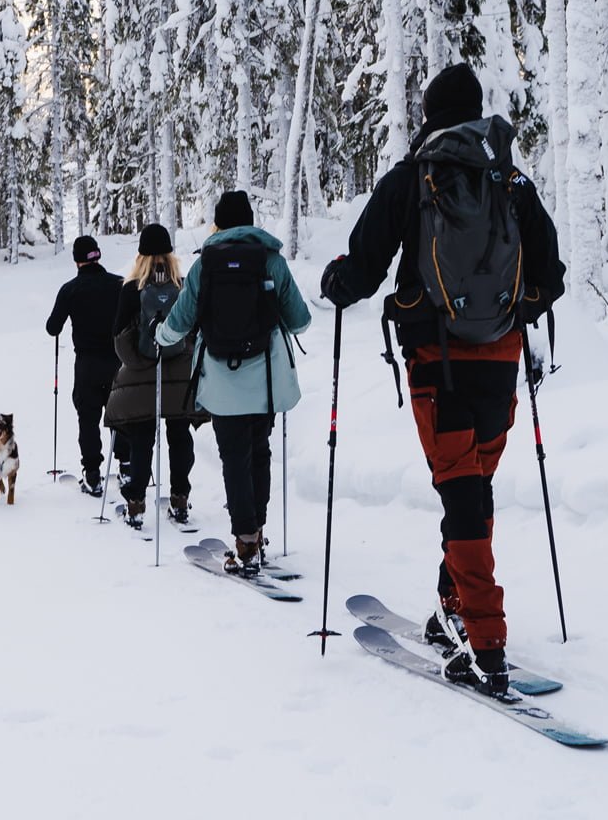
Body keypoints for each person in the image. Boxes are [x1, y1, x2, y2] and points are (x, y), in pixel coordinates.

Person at [319, 64, 565, 697]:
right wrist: (511, 316)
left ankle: (486, 644)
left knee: (465, 500)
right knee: (472, 492)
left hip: (436, 362)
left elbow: (362, 272)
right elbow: (551, 275)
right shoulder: (511, 179)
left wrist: (335, 281)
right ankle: (453, 608)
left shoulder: (411, 178)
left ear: (429, 112)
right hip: (501, 362)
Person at [155, 191, 311, 573]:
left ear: (219, 225)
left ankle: (244, 540)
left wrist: (159, 336)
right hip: (266, 381)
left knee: (234, 458)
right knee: (260, 452)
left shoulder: (204, 266)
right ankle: (256, 530)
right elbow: (301, 320)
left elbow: (180, 322)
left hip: (222, 381)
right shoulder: (271, 261)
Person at [103, 224, 200, 527]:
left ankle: (136, 503)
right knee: (180, 435)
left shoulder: (132, 288)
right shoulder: (182, 285)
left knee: (143, 438)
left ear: (140, 255)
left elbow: (119, 336)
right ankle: (180, 498)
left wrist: (139, 362)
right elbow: (193, 330)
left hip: (143, 375)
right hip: (180, 377)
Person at [45, 235, 124, 496]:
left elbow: (52, 327)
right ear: (98, 255)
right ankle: (128, 466)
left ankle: (92, 474)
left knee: (88, 418)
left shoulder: (70, 290)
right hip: (117, 361)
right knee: (121, 415)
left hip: (87, 364)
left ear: (77, 261)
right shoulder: (118, 284)